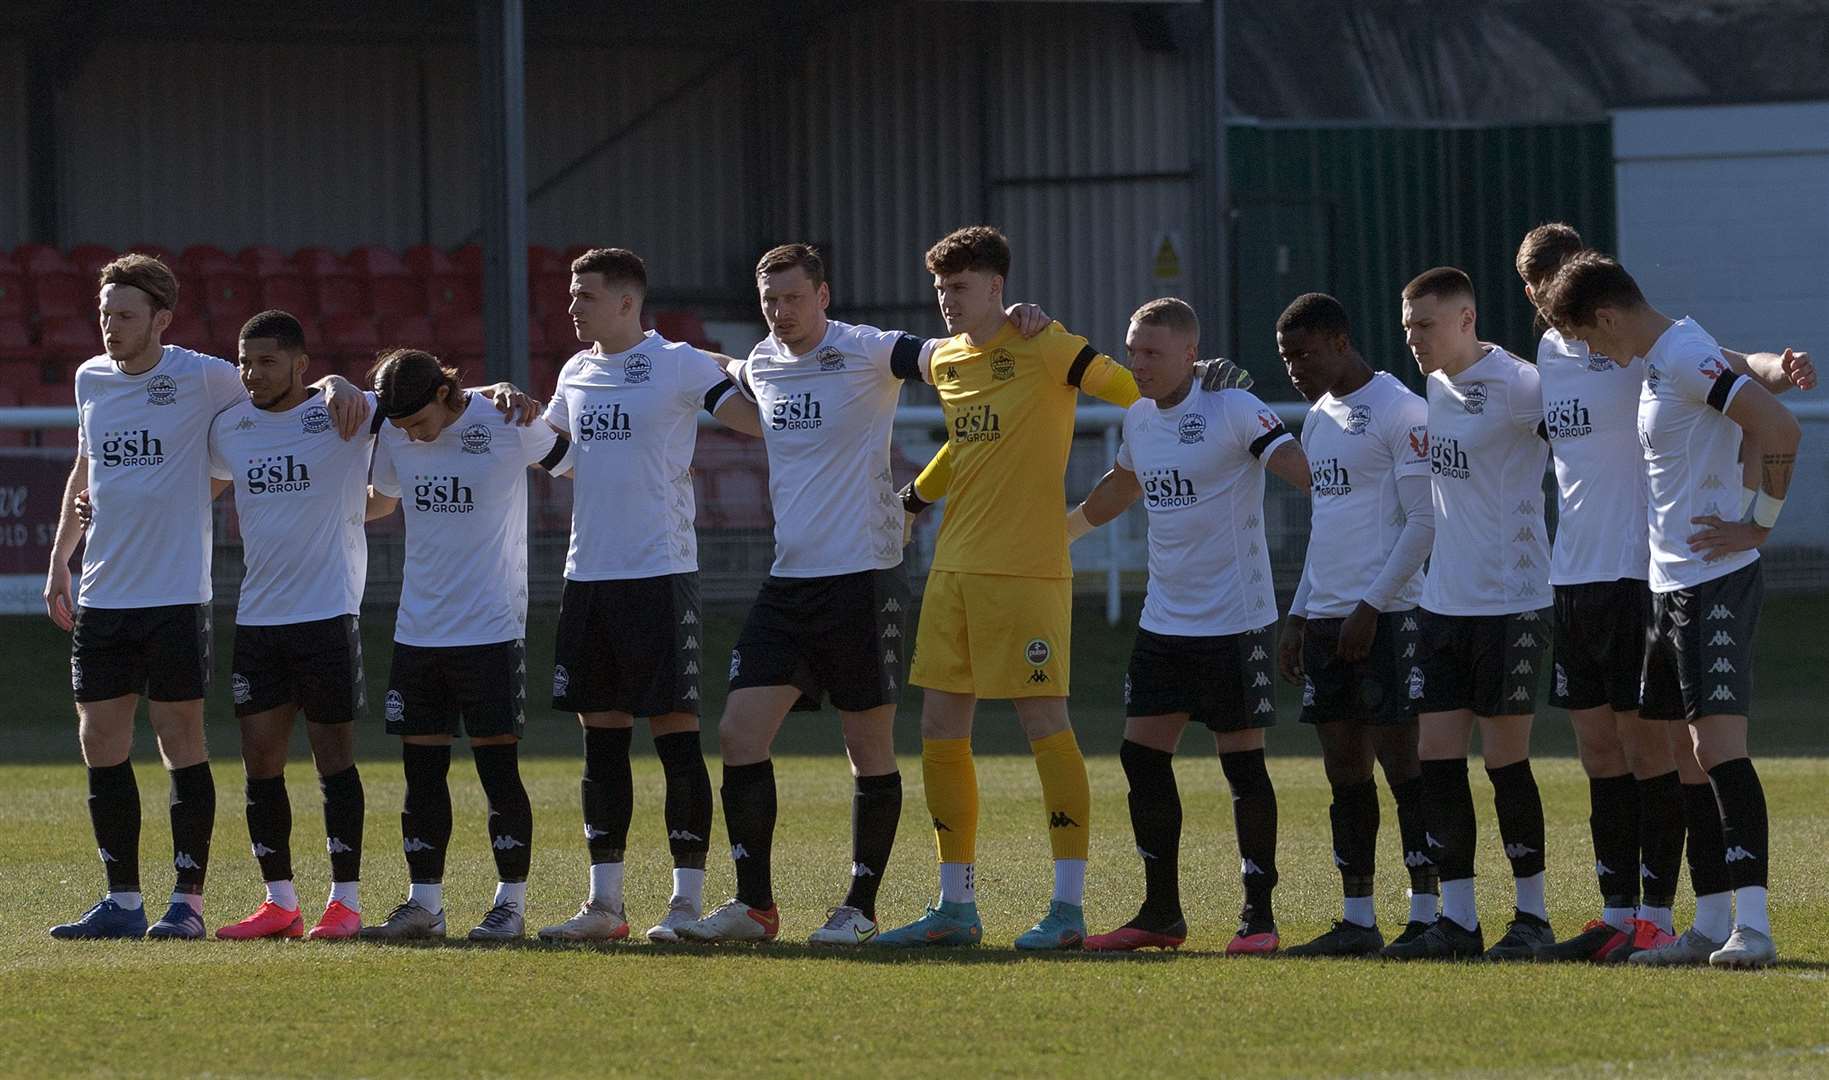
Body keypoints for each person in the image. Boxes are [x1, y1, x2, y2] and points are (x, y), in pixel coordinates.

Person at [679, 243, 1050, 945]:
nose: (781, 313)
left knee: (866, 745)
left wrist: (1010, 321)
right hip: (789, 581)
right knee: (737, 733)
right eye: (769, 302)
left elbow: (951, 351)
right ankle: (754, 907)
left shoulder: (869, 350)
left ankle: (858, 906)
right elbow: (715, 368)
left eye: (793, 298)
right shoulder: (760, 362)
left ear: (822, 295)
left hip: (863, 577)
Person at [1514, 225, 1814, 963]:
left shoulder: (1679, 354)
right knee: (1685, 756)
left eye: (1591, 337)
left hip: (1712, 579)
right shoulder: (1653, 360)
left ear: (1608, 317)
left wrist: (1757, 526)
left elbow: (1775, 426)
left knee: (1717, 751)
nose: (1594, 355)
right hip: (1664, 582)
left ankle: (1754, 927)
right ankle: (1707, 925)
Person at [46, 257, 367, 941]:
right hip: (103, 592)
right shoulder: (89, 379)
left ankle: (185, 901)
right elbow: (86, 465)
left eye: (125, 315)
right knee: (98, 740)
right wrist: (59, 559)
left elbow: (281, 388)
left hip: (173, 596)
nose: (111, 326)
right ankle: (122, 900)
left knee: (178, 738)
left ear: (162, 319)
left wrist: (335, 380)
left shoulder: (206, 375)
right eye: (104, 313)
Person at [875, 226, 1142, 950]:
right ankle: (955, 907)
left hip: (1027, 569)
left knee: (1044, 726)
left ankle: (1067, 908)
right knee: (937, 732)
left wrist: (1135, 463)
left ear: (997, 288)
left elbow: (1137, 394)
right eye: (939, 288)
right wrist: (912, 502)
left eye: (958, 287)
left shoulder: (1049, 345)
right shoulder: (950, 362)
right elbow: (964, 445)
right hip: (954, 570)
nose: (946, 301)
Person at [530, 248, 761, 944]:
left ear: (628, 302)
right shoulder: (576, 371)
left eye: (586, 295)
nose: (572, 305)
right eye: (573, 294)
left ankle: (685, 902)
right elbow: (561, 458)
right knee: (600, 742)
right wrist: (515, 416)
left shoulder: (680, 362)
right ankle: (604, 907)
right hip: (587, 578)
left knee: (674, 736)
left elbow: (753, 421)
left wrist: (747, 370)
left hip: (658, 576)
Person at [1067, 298, 1309, 954]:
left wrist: (1358, 496)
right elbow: (1119, 489)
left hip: (1235, 621)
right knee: (1140, 758)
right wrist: (1055, 536)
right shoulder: (1140, 420)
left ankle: (1257, 918)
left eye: (1150, 352)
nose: (1136, 363)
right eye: (1131, 349)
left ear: (1187, 354)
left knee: (1242, 767)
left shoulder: (1230, 407)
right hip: (1163, 623)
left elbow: (1301, 469)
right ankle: (1160, 914)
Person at [358, 349, 571, 942]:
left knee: (497, 771)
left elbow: (576, 463)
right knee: (421, 774)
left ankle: (510, 905)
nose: (412, 436)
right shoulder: (398, 435)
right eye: (399, 427)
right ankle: (424, 904)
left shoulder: (507, 421)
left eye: (419, 423)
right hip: (417, 628)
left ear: (447, 393)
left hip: (490, 627)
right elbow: (381, 500)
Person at [1382, 267, 1554, 962]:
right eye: (1405, 328)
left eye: (1423, 325)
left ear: (1465, 318)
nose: (1413, 340)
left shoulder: (1518, 387)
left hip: (1511, 600)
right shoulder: (1433, 386)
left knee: (1505, 761)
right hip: (1442, 603)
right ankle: (1456, 920)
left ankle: (1532, 917)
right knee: (1436, 760)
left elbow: (1581, 444)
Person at [1269, 293, 1441, 957]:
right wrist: (1298, 611)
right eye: (1286, 359)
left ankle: (1426, 913)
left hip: (1389, 616)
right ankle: (1358, 918)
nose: (1294, 369)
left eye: (1302, 354)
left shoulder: (1401, 411)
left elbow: (1423, 523)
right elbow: (1325, 525)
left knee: (1405, 766)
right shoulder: (1316, 420)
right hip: (1326, 620)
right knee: (1343, 770)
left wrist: (1370, 604)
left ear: (1339, 341)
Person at [204, 311, 382, 941]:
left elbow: (429, 398)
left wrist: (500, 394)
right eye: (246, 361)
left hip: (328, 614)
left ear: (301, 365)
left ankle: (346, 901)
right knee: (260, 762)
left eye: (268, 361)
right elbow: (194, 489)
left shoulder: (346, 413)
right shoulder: (231, 428)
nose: (253, 374)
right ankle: (279, 903)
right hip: (259, 619)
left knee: (334, 758)